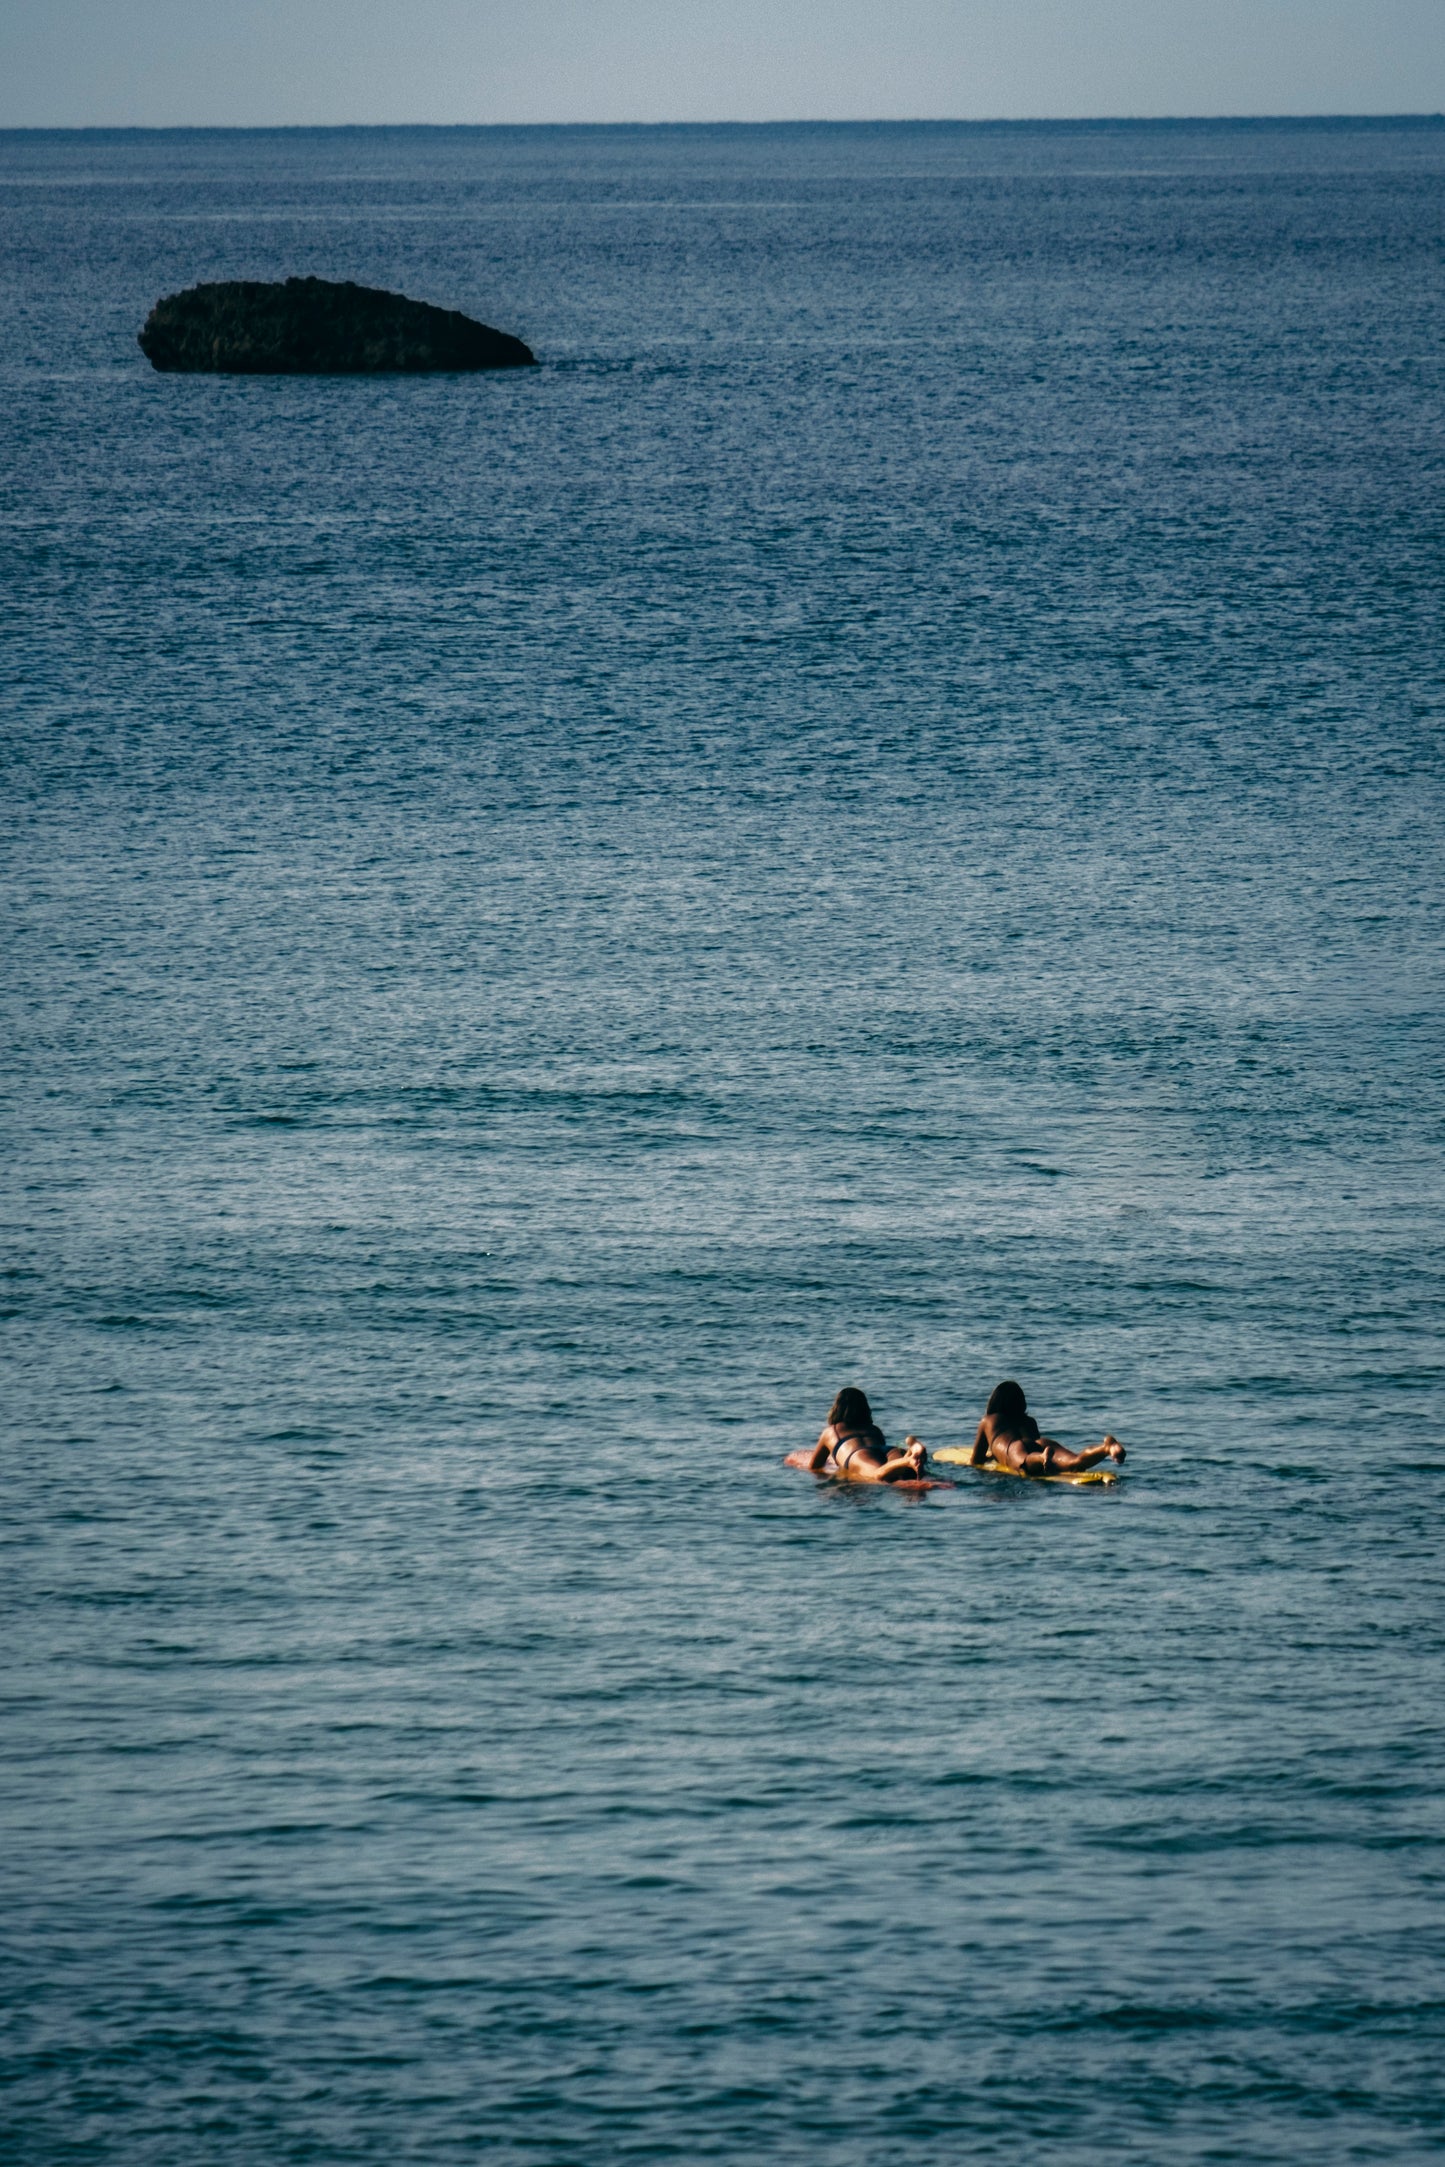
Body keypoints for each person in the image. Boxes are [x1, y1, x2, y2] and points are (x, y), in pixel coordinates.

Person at [966, 1379, 1125, 1477]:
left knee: (1026, 1462)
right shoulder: (1029, 1421)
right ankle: (1106, 1448)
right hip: (1041, 1443)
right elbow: (1031, 1443)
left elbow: (976, 1460)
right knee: (1075, 1462)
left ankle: (1041, 1458)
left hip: (1015, 1448)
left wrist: (993, 1457)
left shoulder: (988, 1420)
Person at [804, 1387, 927, 1483]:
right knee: (895, 1472)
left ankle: (908, 1461)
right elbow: (881, 1458)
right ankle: (910, 1452)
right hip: (889, 1450)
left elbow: (814, 1467)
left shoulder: (830, 1431)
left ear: (837, 1408)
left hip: (859, 1454)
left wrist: (838, 1473)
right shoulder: (874, 1429)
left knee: (876, 1474)